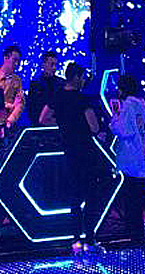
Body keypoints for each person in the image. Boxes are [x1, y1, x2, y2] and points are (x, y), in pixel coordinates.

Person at [49, 62, 102, 254]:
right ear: (77, 77)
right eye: (83, 77)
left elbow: (43, 118)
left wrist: (64, 125)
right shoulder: (82, 99)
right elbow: (94, 127)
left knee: (74, 197)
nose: (84, 81)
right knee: (91, 196)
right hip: (86, 152)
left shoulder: (58, 97)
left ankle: (75, 239)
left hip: (68, 151)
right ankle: (90, 239)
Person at [109, 74, 145, 246]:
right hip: (141, 155)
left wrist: (114, 118)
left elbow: (124, 131)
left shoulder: (128, 105)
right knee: (140, 197)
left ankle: (141, 236)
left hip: (131, 158)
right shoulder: (141, 105)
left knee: (136, 198)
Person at [28, 51, 65, 126]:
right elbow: (31, 108)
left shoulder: (61, 84)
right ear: (43, 65)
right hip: (39, 126)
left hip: (58, 124)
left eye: (55, 65)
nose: (54, 68)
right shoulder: (35, 85)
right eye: (51, 64)